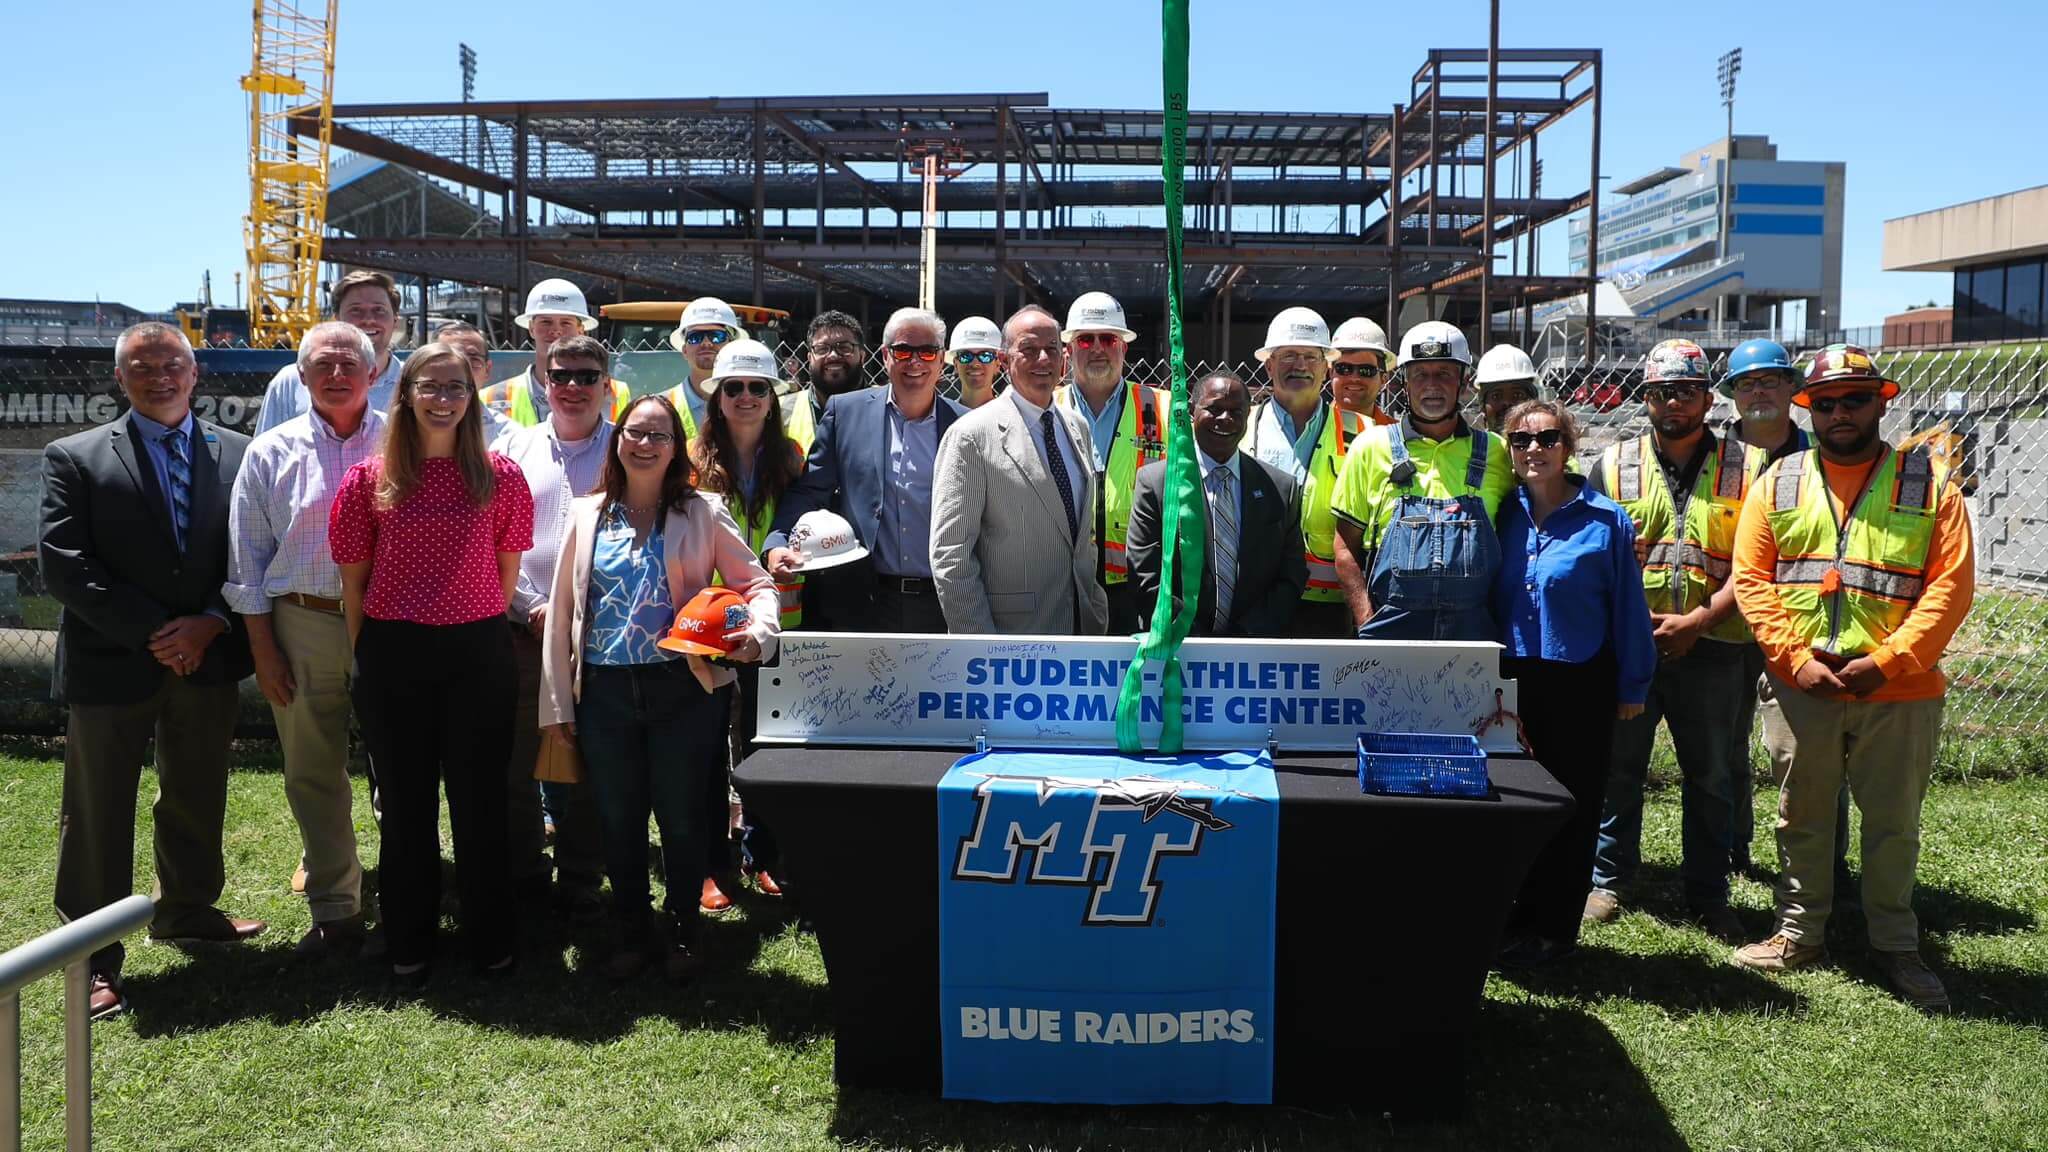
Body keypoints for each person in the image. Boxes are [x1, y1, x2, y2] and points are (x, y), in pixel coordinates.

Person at [1730, 345, 1975, 1011]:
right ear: (1807, 408)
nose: (1840, 413)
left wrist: (1888, 662)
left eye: (1855, 399)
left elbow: (1950, 590)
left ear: (1881, 402)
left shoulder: (1928, 486)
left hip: (1899, 690)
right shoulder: (1776, 483)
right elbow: (1753, 583)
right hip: (1800, 684)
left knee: (1893, 822)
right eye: (1827, 402)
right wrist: (1795, 660)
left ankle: (1896, 944)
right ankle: (1798, 933)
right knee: (1800, 815)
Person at [40, 322, 262, 1019]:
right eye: (143, 367)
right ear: (120, 378)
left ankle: (188, 910)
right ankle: (93, 957)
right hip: (113, 664)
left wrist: (210, 621)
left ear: (196, 374)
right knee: (98, 813)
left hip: (209, 654)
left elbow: (252, 549)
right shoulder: (73, 457)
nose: (160, 376)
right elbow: (65, 564)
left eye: (173, 364)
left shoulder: (239, 454)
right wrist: (158, 635)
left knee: (197, 790)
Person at [539, 394, 780, 982]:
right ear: (618, 440)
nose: (644, 444)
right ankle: (630, 930)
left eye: (659, 436)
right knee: (618, 819)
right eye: (634, 433)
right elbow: (566, 610)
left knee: (680, 817)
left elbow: (757, 583)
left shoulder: (702, 511)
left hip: (684, 688)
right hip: (604, 692)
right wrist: (558, 702)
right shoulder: (586, 513)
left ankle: (680, 932)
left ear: (677, 448)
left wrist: (757, 632)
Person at [331, 341, 534, 982]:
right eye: (431, 386)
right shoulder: (369, 480)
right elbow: (354, 585)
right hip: (393, 654)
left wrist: (463, 621)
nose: (444, 399)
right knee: (407, 805)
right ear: (407, 394)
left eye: (456, 388)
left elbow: (506, 578)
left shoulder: (500, 476)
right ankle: (409, 941)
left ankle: (489, 939)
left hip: (477, 652)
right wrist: (371, 655)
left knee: (481, 803)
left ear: (471, 398)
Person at [225, 321, 386, 956]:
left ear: (374, 373)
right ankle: (337, 910)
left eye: (351, 362)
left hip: (389, 621)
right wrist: (264, 648)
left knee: (399, 765)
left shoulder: (406, 444)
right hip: (304, 622)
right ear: (300, 375)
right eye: (323, 363)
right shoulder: (270, 452)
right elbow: (247, 562)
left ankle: (406, 894)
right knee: (313, 770)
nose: (338, 373)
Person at [1581, 338, 1749, 941]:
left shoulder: (1747, 467)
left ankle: (1708, 891)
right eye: (1659, 392)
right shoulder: (1612, 464)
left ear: (1707, 397)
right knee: (1619, 769)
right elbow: (1594, 559)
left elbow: (1759, 566)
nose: (1672, 402)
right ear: (1644, 399)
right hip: (1633, 648)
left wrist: (1698, 621)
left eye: (1684, 391)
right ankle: (1609, 880)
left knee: (1710, 774)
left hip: (1715, 648)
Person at [1490, 399, 1658, 968]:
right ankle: (1509, 917)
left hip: (1580, 678)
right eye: (1521, 440)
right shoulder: (1501, 512)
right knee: (1515, 800)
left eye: (1547, 438)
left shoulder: (1605, 519)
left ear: (1569, 445)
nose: (1534, 450)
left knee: (1573, 803)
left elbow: (1628, 610)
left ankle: (1555, 926)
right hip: (1512, 678)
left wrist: (1633, 684)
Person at [490, 333, 615, 921]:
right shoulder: (513, 449)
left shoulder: (629, 449)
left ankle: (582, 877)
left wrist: (574, 615)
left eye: (586, 376)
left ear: (606, 386)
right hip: (521, 632)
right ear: (542, 379)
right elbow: (490, 543)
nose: (572, 386)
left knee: (588, 762)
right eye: (560, 374)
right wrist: (532, 604)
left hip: (601, 638)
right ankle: (523, 872)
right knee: (513, 761)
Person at [1717, 337, 1844, 887]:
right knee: (1725, 750)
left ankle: (1825, 865)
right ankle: (1730, 847)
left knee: (1816, 758)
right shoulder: (1712, 457)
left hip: (1802, 634)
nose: (1759, 391)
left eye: (1771, 380)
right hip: (1723, 631)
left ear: (1794, 389)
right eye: (1747, 383)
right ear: (1731, 395)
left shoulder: (1825, 455)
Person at [690, 338, 806, 905]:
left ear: (771, 398)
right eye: (733, 388)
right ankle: (714, 864)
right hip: (709, 627)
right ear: (717, 397)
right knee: (708, 749)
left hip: (776, 625)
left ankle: (763, 853)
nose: (745, 397)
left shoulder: (793, 460)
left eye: (757, 388)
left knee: (765, 744)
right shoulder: (690, 459)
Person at [764, 308, 966, 634]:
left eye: (927, 352)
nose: (915, 362)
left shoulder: (966, 424)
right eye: (903, 351)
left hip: (943, 604)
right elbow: (810, 491)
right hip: (863, 602)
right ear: (886, 355)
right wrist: (776, 542)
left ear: (941, 359)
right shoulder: (846, 414)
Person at [930, 305, 1110, 636]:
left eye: (1051, 349)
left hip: (1083, 634)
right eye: (1028, 349)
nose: (1042, 359)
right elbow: (951, 556)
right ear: (1004, 360)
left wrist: (1094, 606)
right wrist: (983, 649)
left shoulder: (1076, 428)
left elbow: (1081, 539)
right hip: (1011, 642)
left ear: (1064, 359)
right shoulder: (971, 436)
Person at [1329, 321, 1513, 641]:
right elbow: (1345, 546)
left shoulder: (1496, 451)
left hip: (1474, 634)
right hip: (1390, 630)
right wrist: (1366, 620)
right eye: (1420, 374)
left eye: (1444, 373)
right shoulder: (1370, 447)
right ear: (1403, 382)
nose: (1432, 385)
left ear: (1464, 382)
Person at [1127, 371, 1305, 637]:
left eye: (1236, 411)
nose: (1226, 419)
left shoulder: (1280, 488)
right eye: (1215, 409)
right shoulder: (1156, 483)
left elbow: (1290, 577)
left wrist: (1241, 639)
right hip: (1179, 649)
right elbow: (1145, 573)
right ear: (1192, 411)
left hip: (1253, 651)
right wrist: (1197, 641)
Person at [1244, 307, 1373, 638]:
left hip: (1331, 607)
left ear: (1326, 366)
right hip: (1254, 600)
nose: (1299, 365)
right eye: (1288, 355)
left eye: (1310, 356)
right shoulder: (1241, 428)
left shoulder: (1366, 433)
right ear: (1269, 364)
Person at [1051, 292, 1168, 636]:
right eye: (1086, 339)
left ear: (1123, 347)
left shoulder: (1163, 409)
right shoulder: (1047, 409)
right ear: (1069, 350)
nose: (1098, 348)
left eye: (1109, 339)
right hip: (1063, 582)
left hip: (1142, 585)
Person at [253, 269, 404, 435]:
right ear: (337, 319)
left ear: (395, 320)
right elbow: (265, 452)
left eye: (379, 310)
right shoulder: (290, 382)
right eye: (356, 310)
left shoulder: (413, 383)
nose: (368, 319)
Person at [479, 279, 628, 428]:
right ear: (531, 328)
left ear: (581, 330)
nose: (555, 330)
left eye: (566, 323)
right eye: (546, 322)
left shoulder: (616, 393)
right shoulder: (493, 397)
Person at [783, 309, 870, 452]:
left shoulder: (888, 410)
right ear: (810, 358)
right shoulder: (781, 412)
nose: (833, 355)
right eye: (822, 349)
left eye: (844, 347)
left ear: (862, 356)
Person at [662, 296, 746, 437]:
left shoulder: (751, 404)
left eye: (716, 336)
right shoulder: (662, 406)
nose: (706, 343)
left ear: (732, 346)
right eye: (695, 337)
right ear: (684, 351)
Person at [434, 321, 512, 443]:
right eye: (449, 358)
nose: (463, 367)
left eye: (473, 359)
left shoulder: (508, 436)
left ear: (487, 370)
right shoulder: (405, 429)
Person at [1329, 317, 1399, 426]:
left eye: (1366, 370)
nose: (1354, 378)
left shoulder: (1398, 437)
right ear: (1331, 374)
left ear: (1383, 380)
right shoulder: (1311, 431)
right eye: (1344, 369)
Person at [1474, 344, 1542, 431]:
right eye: (1496, 396)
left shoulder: (1544, 443)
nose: (1507, 403)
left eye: (1517, 395)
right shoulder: (1477, 444)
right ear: (1483, 407)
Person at [949, 315, 1005, 408]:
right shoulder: (942, 417)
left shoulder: (1011, 418)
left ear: (997, 364)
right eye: (966, 356)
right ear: (956, 365)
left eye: (985, 356)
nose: (975, 364)